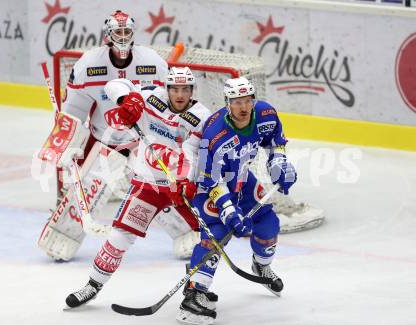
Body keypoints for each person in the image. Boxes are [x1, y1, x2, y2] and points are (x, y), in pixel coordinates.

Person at [37, 10, 197, 261]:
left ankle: (188, 232)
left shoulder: (152, 62)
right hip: (104, 140)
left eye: (126, 31)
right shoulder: (89, 64)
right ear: (108, 35)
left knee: (160, 185)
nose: (122, 37)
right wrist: (66, 143)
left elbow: (169, 104)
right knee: (88, 188)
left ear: (134, 33)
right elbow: (73, 111)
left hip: (142, 141)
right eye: (117, 32)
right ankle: (62, 236)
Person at [64, 67, 213, 308]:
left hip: (184, 188)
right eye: (175, 88)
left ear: (192, 90)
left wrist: (186, 180)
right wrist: (127, 99)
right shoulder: (151, 97)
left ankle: (198, 287)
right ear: (167, 88)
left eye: (185, 89)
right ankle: (92, 285)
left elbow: (195, 151)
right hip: (147, 184)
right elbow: (114, 85)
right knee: (119, 236)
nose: (180, 94)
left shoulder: (202, 116)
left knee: (210, 235)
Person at [176, 77, 297, 325]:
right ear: (227, 103)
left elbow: (276, 143)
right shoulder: (216, 133)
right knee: (216, 235)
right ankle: (193, 294)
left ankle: (261, 265)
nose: (243, 107)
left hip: (241, 178)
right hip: (208, 186)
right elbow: (212, 181)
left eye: (247, 101)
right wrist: (230, 212)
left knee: (268, 223)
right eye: (237, 102)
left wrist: (280, 165)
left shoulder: (265, 114)